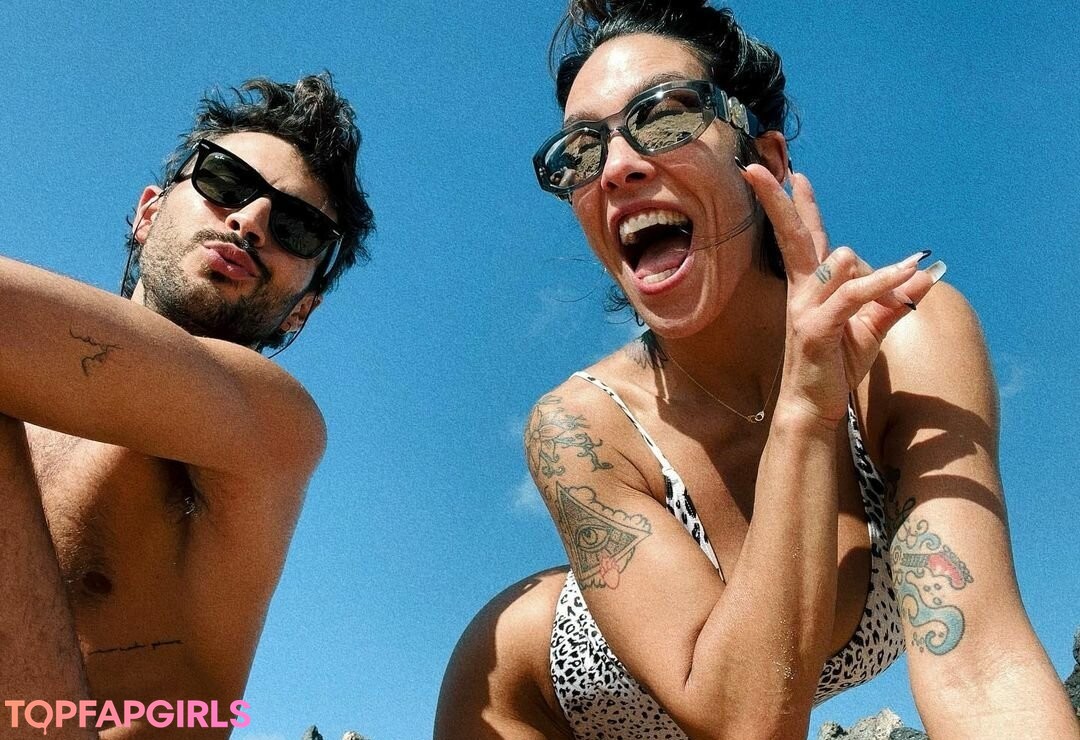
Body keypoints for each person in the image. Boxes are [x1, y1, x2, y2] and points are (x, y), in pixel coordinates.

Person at [435, 2, 1078, 738]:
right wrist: (805, 415)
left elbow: (983, 671)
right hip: (541, 711)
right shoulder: (579, 427)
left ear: (766, 161)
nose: (615, 168)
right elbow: (746, 723)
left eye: (664, 115)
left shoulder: (903, 342)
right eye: (579, 151)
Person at [0, 73, 373, 737]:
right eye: (225, 182)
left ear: (303, 311)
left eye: (298, 229)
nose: (250, 221)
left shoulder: (274, 427)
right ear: (148, 214)